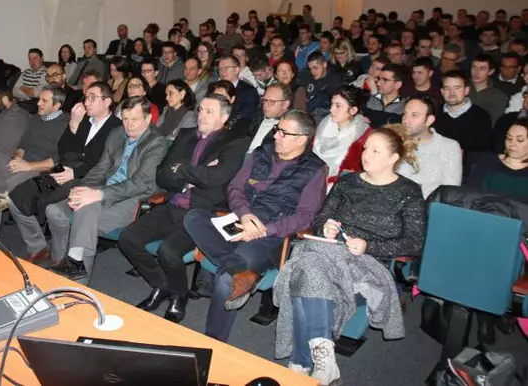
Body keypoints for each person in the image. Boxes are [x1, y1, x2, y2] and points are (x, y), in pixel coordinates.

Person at [274, 127, 425, 385]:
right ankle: (322, 361)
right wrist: (327, 227)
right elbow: (322, 217)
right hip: (328, 251)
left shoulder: (408, 191)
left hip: (366, 263)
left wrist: (369, 246)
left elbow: (414, 242)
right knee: (311, 263)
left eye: (375, 151)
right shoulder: (347, 181)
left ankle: (301, 361)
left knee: (302, 268)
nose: (366, 155)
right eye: (366, 148)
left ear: (393, 158)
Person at [185, 110, 327, 343]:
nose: (276, 136)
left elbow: (306, 217)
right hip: (240, 220)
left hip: (272, 236)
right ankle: (240, 271)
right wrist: (245, 215)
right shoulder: (262, 152)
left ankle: (213, 342)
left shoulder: (315, 169)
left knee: (224, 280)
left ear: (302, 139)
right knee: (193, 217)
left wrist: (264, 229)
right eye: (276, 130)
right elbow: (235, 188)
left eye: (283, 132)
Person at [119, 94, 248, 322]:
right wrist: (193, 174)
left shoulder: (235, 142)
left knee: (168, 251)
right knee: (127, 238)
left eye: (209, 111)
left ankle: (180, 296)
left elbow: (217, 176)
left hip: (203, 213)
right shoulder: (186, 134)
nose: (202, 115)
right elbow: (162, 174)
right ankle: (163, 285)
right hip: (173, 204)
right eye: (200, 110)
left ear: (224, 116)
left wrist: (183, 169)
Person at [48, 97, 168, 282]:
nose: (128, 125)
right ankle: (60, 259)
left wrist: (97, 194)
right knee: (54, 210)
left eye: (134, 119)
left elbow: (141, 183)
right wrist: (82, 188)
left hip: (133, 199)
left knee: (85, 213)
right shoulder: (117, 133)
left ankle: (75, 267)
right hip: (104, 189)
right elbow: (101, 168)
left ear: (147, 118)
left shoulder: (157, 143)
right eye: (125, 118)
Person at [8, 82, 121, 263]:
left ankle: (59, 256)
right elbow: (64, 150)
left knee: (51, 208)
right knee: (16, 197)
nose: (87, 102)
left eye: (93, 98)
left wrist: (74, 173)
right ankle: (38, 245)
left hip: (88, 177)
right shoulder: (82, 120)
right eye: (86, 98)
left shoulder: (117, 127)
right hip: (65, 169)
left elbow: (104, 162)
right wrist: (74, 124)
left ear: (107, 102)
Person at [0, 85, 69, 215]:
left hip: (41, 171)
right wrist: (17, 159)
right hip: (23, 163)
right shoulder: (35, 119)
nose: (38, 103)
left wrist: (28, 166)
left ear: (56, 106)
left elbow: (57, 161)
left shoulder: (65, 127)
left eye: (44, 101)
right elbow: (22, 146)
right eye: (39, 99)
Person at [398, 96, 462, 198]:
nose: (406, 120)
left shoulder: (448, 147)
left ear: (429, 120)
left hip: (426, 206)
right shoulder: (394, 141)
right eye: (405, 114)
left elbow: (450, 191)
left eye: (414, 115)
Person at [313, 86, 370, 183]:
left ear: (353, 110)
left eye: (338, 106)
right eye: (332, 104)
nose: (331, 110)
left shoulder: (364, 137)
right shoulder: (325, 125)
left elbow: (354, 173)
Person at [434, 70, 493, 158]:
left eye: (457, 88)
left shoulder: (481, 117)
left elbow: (483, 151)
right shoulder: (434, 113)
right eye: (447, 88)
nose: (452, 93)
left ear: (466, 90)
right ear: (442, 91)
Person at [466, 118, 528, 201]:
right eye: (509, 138)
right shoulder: (488, 162)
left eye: (520, 140)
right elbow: (470, 195)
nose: (512, 144)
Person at [247, 83, 292, 153]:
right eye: (265, 100)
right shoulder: (256, 116)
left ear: (285, 104)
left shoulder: (290, 128)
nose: (266, 105)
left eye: (272, 101)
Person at [217, 54, 260, 121]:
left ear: (237, 70)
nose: (222, 71)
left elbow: (245, 117)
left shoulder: (249, 91)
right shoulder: (214, 88)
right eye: (220, 69)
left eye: (226, 68)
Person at [469, 54, 508, 126]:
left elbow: (494, 124)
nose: (476, 72)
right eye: (474, 67)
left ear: (491, 71)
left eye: (482, 68)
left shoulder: (498, 97)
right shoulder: (460, 87)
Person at [304, 52, 342, 123]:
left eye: (315, 68)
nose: (312, 72)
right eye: (310, 69)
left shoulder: (335, 78)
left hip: (328, 117)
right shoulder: (308, 78)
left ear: (324, 64)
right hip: (309, 116)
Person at [364, 63, 406, 128]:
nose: (378, 83)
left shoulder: (405, 106)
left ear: (398, 84)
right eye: (379, 78)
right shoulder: (368, 99)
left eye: (385, 80)